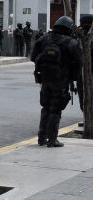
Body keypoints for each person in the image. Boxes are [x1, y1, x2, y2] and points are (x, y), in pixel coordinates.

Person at [31, 16, 82, 147]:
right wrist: (73, 77)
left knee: (46, 108)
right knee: (55, 110)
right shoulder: (71, 42)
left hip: (45, 79)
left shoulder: (44, 39)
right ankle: (52, 139)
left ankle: (41, 138)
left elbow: (33, 57)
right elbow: (79, 63)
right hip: (61, 81)